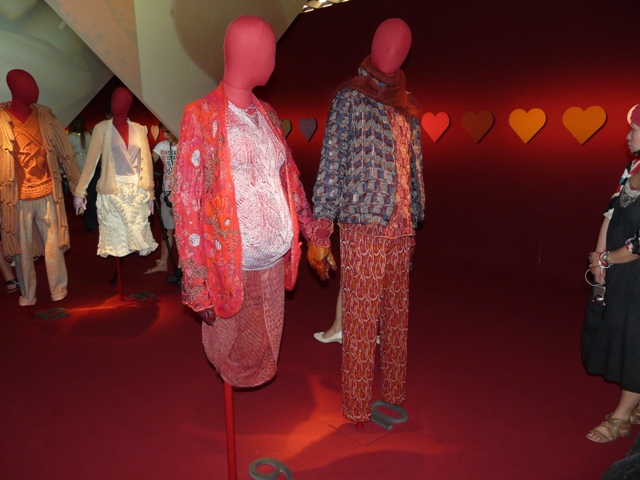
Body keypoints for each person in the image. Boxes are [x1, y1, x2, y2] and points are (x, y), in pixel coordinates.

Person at [172, 15, 317, 388]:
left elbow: (290, 179)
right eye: (268, 51)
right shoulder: (201, 116)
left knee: (264, 339)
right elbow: (187, 203)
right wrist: (197, 285)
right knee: (232, 347)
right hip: (234, 264)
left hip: (274, 261)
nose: (272, 60)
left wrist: (314, 232)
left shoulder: (268, 114)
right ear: (247, 54)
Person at [307, 18, 425, 424]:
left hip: (401, 226)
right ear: (373, 47)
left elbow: (414, 167)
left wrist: (415, 215)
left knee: (396, 315)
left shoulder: (408, 106)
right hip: (363, 223)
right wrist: (321, 228)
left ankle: (393, 390)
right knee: (359, 317)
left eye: (400, 46)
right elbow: (332, 163)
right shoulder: (350, 98)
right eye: (386, 43)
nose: (391, 51)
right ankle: (357, 406)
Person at [583, 104, 640, 443]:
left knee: (635, 340)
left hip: (635, 272)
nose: (627, 136)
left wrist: (609, 258)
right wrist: (598, 258)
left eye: (634, 130)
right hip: (620, 268)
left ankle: (621, 418)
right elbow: (612, 211)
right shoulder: (633, 166)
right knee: (619, 331)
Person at [0, 69, 81, 306]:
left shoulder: (46, 118)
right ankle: (28, 292)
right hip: (17, 198)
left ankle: (59, 288)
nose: (34, 90)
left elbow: (66, 154)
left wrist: (77, 187)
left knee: (54, 245)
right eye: (28, 85)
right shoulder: (2, 121)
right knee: (22, 250)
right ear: (15, 89)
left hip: (48, 193)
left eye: (34, 84)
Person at [73, 87, 157, 258]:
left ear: (128, 105)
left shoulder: (139, 129)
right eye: (114, 100)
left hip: (136, 192)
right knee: (117, 241)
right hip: (112, 192)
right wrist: (79, 192)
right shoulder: (102, 129)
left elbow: (146, 163)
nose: (115, 104)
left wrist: (150, 192)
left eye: (120, 101)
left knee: (136, 235)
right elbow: (90, 162)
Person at [145, 123, 178, 274]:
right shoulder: (162, 145)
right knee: (167, 230)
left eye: (168, 131)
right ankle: (163, 263)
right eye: (163, 132)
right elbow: (150, 161)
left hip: (184, 195)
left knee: (186, 232)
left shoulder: (187, 144)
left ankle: (188, 266)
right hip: (167, 194)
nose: (165, 135)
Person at [67, 115, 97, 231]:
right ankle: (92, 221)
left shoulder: (69, 137)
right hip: (90, 168)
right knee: (92, 196)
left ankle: (86, 219)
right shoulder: (88, 136)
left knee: (80, 195)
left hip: (77, 169)